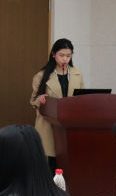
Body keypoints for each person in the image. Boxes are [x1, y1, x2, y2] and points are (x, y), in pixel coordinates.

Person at [30, 38, 85, 171]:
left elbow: (82, 97)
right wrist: (40, 99)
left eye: (68, 55)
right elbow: (33, 100)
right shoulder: (41, 75)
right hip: (49, 123)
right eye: (61, 55)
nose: (65, 59)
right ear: (53, 54)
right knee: (52, 162)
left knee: (68, 162)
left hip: (70, 123)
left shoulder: (77, 73)